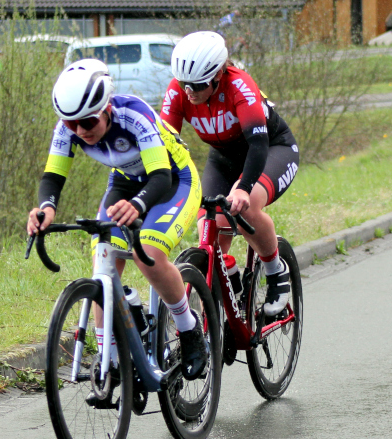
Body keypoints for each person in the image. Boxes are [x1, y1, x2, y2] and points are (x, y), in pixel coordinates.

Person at [26, 59, 207, 380]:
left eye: (88, 121)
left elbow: (161, 176)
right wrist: (46, 208)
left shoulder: (134, 115)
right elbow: (52, 177)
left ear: (107, 107)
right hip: (125, 182)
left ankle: (188, 327)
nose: (80, 131)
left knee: (147, 253)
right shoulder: (68, 127)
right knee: (103, 264)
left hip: (173, 179)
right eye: (71, 125)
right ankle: (109, 358)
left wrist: (138, 206)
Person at [160, 31, 299, 316]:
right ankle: (232, 286)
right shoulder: (178, 91)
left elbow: (258, 145)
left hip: (271, 149)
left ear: (218, 75)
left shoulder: (239, 86)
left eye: (197, 84)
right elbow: (164, 145)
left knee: (244, 209)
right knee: (208, 231)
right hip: (223, 159)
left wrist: (243, 187)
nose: (189, 90)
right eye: (184, 83)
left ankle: (275, 270)